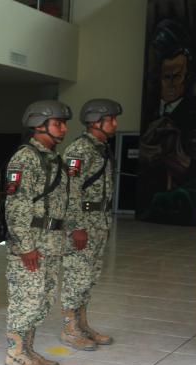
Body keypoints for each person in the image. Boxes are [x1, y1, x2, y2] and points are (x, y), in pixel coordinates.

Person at [3, 100, 72, 365]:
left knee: (41, 299)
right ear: (38, 125)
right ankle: (16, 353)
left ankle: (28, 349)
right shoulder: (25, 158)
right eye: (58, 123)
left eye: (63, 122)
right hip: (32, 243)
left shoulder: (53, 158)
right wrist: (25, 246)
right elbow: (16, 205)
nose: (64, 128)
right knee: (26, 299)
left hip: (51, 242)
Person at [61, 98, 122, 351]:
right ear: (96, 121)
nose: (115, 124)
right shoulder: (79, 151)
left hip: (98, 222)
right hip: (83, 224)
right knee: (77, 275)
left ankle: (83, 324)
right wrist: (77, 227)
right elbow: (70, 191)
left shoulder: (100, 148)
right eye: (111, 119)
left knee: (88, 277)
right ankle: (70, 329)